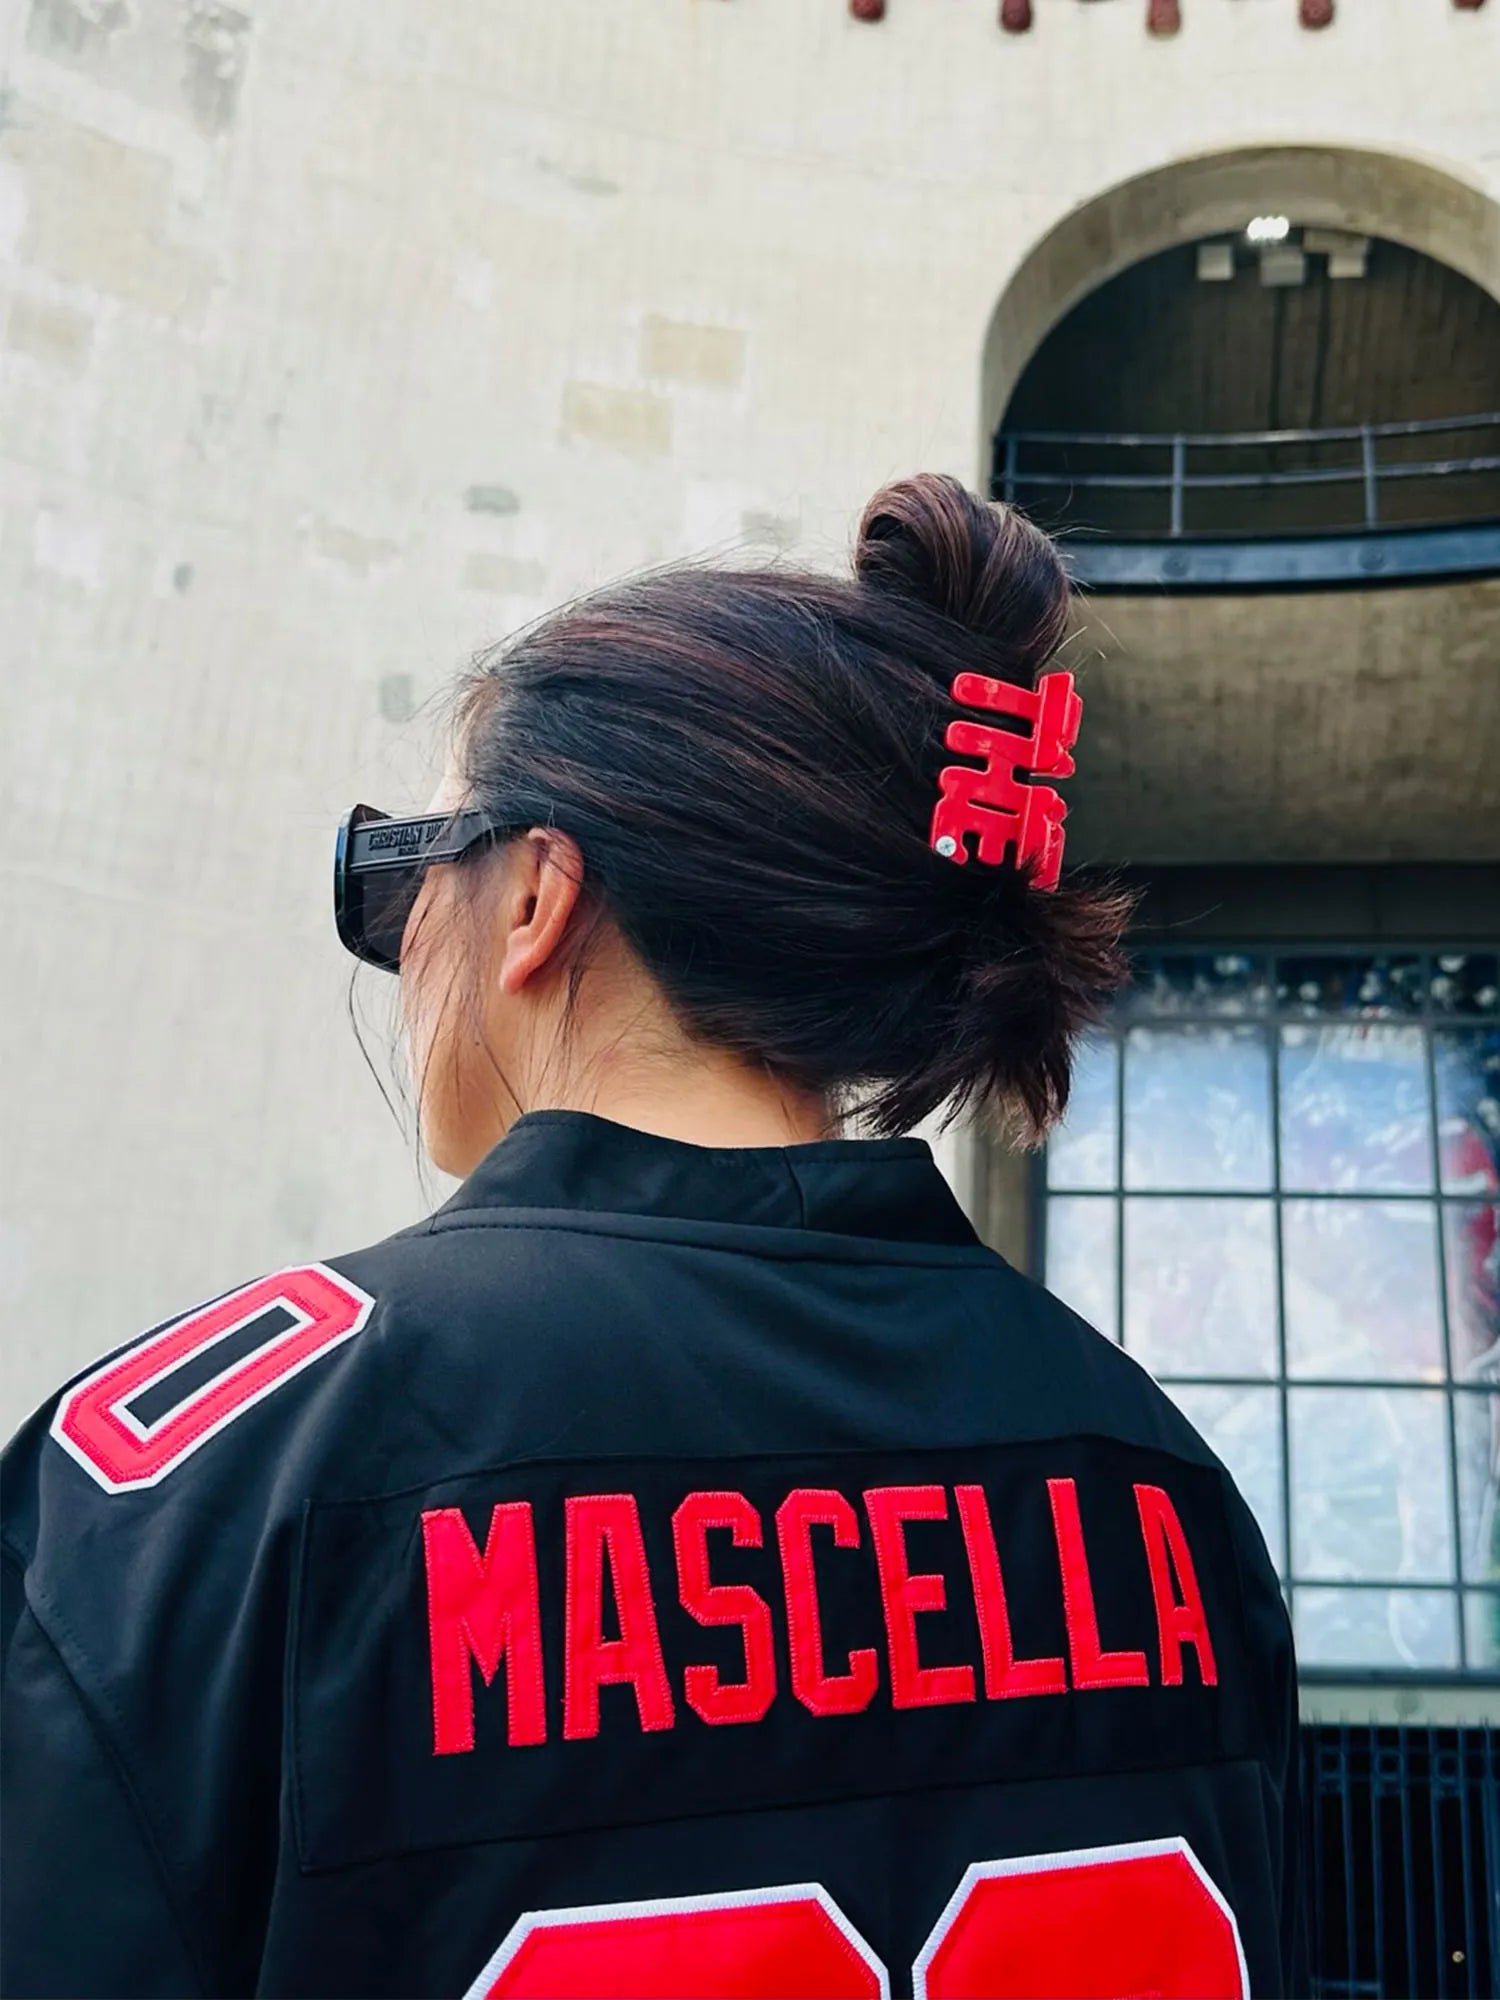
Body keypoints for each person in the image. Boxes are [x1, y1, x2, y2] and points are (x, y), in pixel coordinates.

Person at [1, 475, 1303, 2000]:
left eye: (405, 874)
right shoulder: (1170, 1490)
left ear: (536, 898)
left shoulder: (198, 1489)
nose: (402, 949)